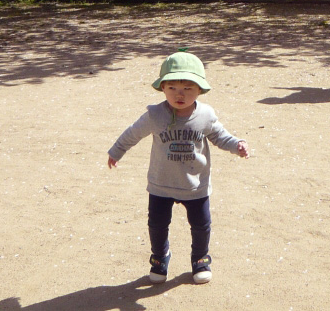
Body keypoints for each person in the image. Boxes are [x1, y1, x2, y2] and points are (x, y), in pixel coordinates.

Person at [107, 51, 249, 285]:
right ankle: (160, 258)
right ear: (162, 88)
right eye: (172, 87)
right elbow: (133, 133)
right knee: (157, 224)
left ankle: (200, 259)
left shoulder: (205, 115)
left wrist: (237, 145)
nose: (179, 94)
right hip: (161, 184)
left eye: (188, 89)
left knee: (201, 225)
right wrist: (117, 150)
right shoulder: (155, 115)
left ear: (200, 90)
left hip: (195, 185)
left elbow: (220, 136)